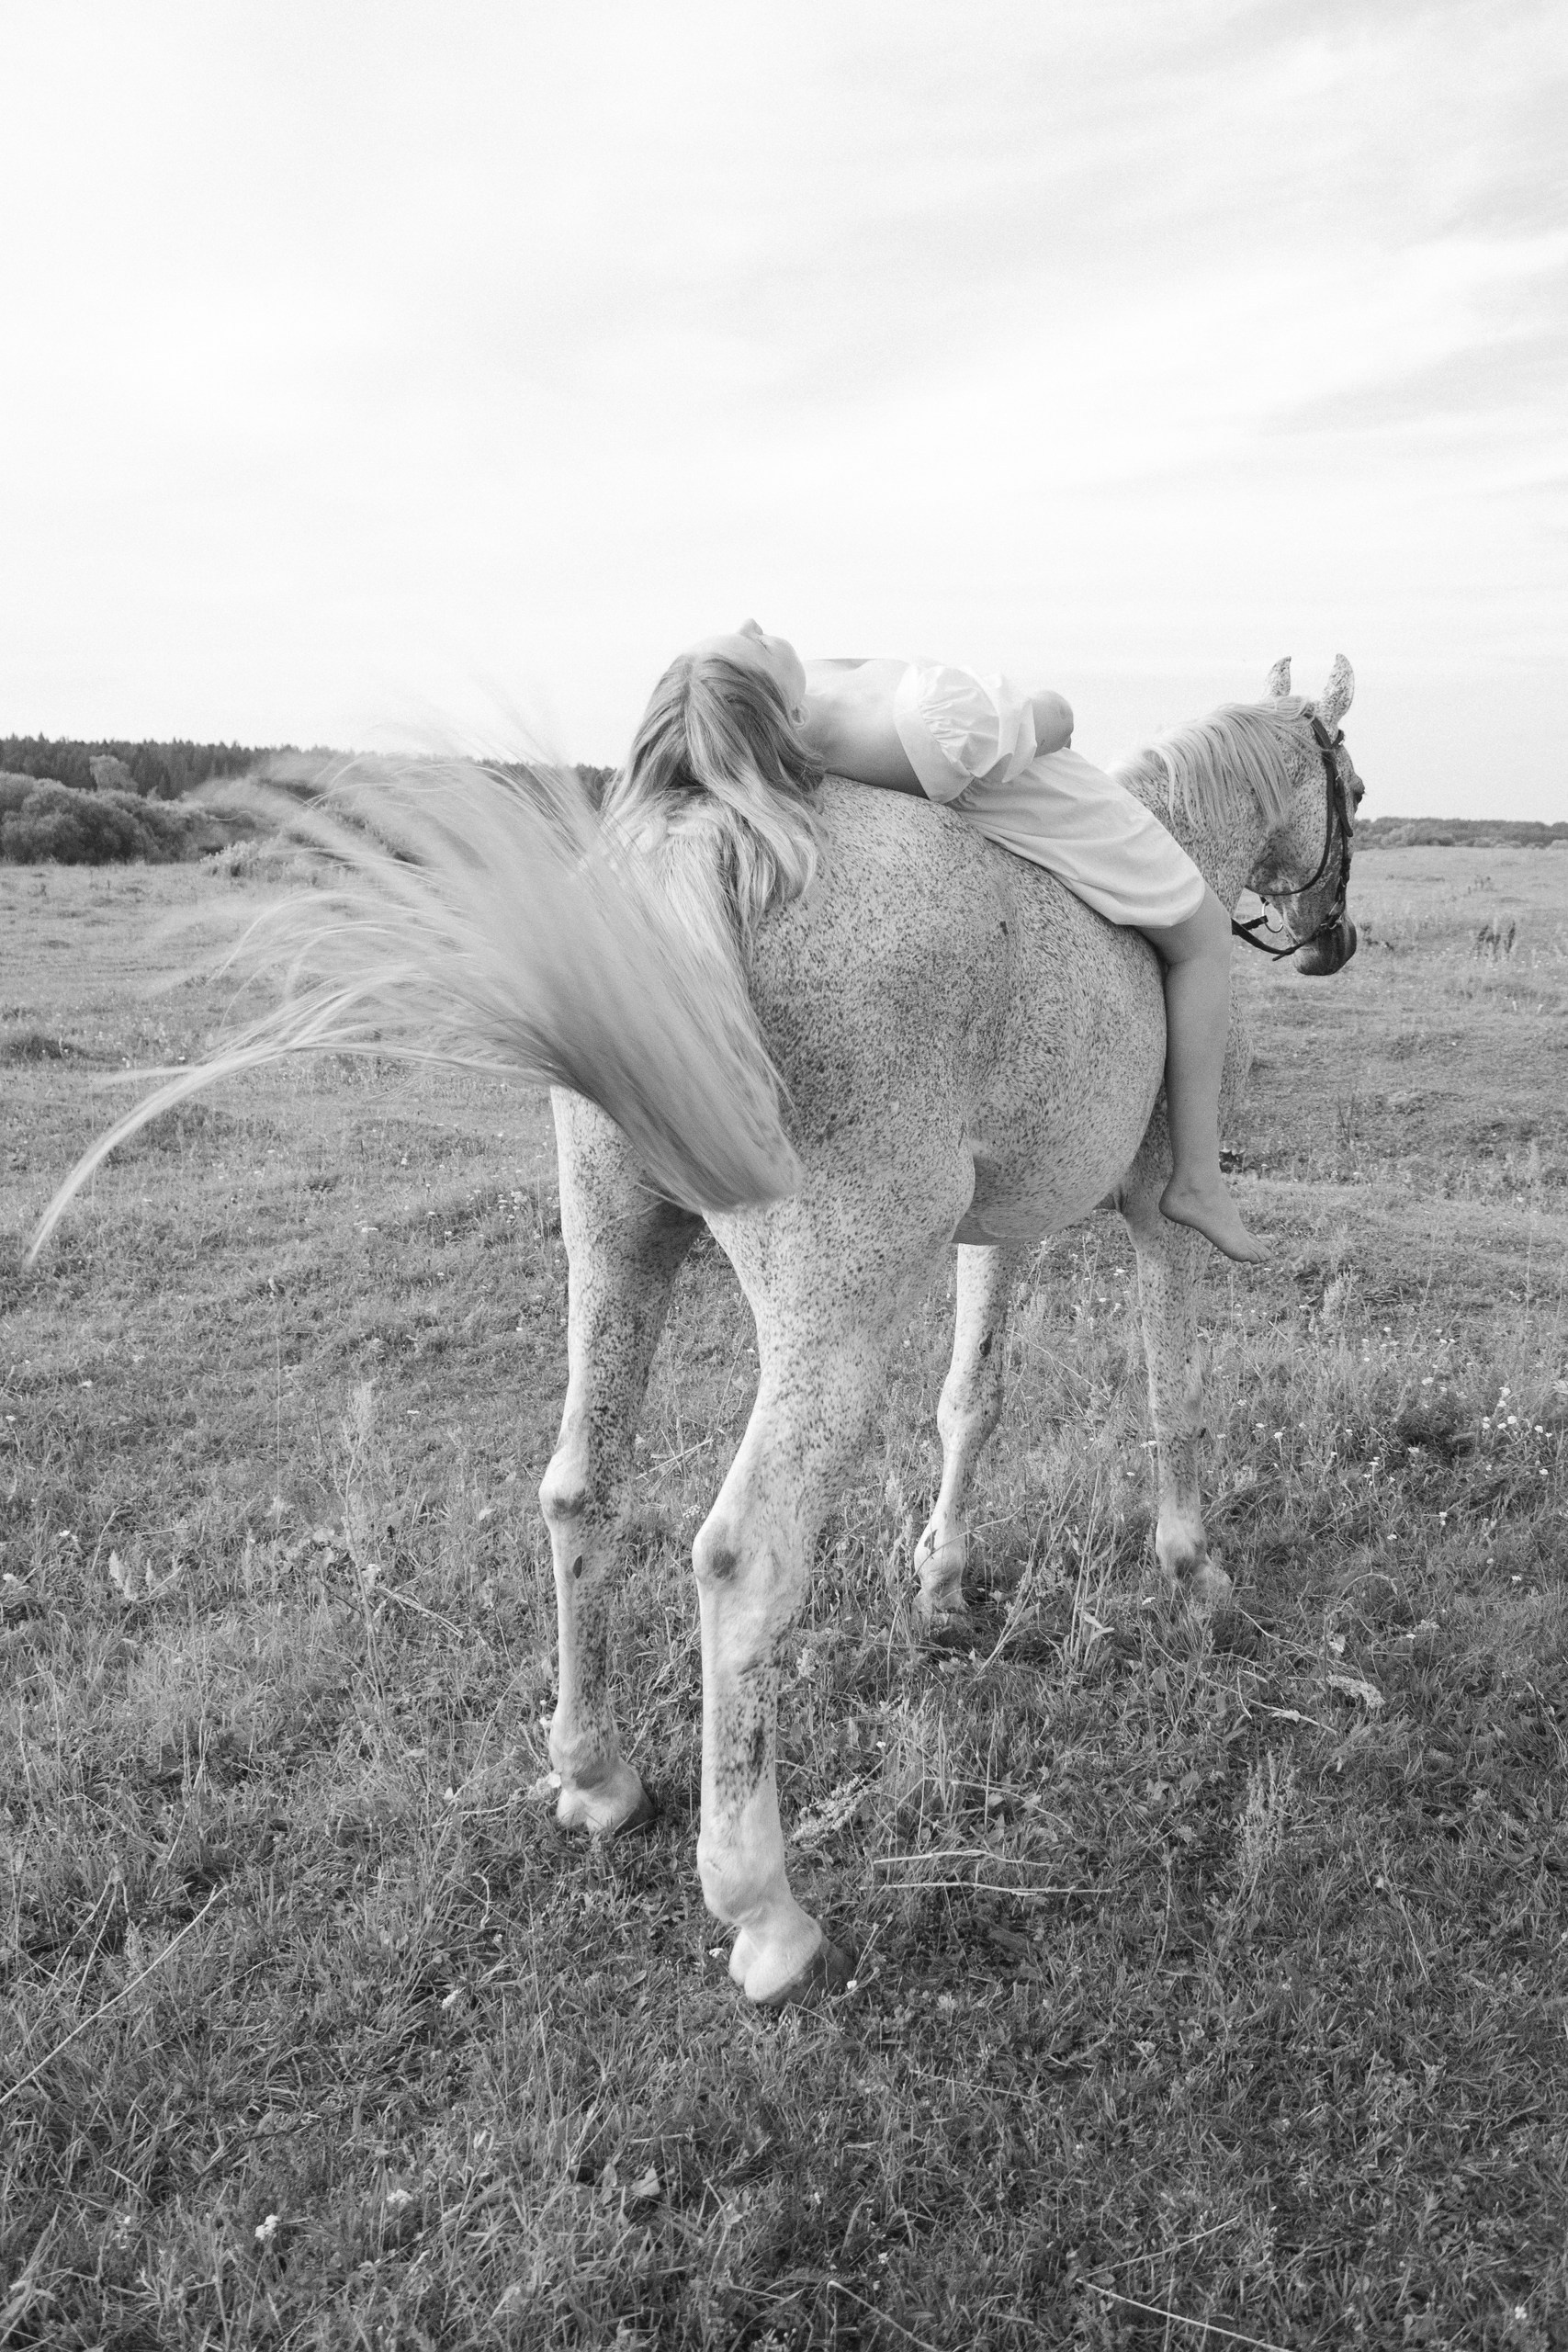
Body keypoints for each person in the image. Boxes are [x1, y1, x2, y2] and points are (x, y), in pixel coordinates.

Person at [614, 620, 1265, 1265]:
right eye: (750, 646)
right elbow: (1058, 719)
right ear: (781, 708)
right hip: (1067, 815)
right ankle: (1197, 1177)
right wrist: (1015, 702)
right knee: (1204, 939)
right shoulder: (927, 726)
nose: (752, 624)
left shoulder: (794, 719)